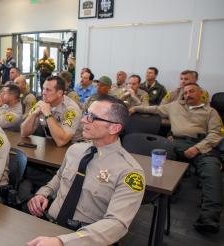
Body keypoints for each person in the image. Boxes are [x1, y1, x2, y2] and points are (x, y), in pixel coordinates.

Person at [27, 95, 145, 246]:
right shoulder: (75, 150)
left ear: (114, 128)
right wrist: (44, 193)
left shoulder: (129, 172)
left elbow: (116, 224)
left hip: (85, 239)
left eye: (92, 117)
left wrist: (63, 242)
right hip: (50, 226)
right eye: (86, 114)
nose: (83, 120)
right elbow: (59, 177)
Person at [131, 83, 223, 233]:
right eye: (185, 93)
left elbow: (216, 134)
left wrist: (197, 148)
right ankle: (162, 194)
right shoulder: (174, 106)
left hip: (201, 144)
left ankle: (208, 218)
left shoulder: (211, 111)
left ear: (201, 94)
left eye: (191, 91)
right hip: (177, 143)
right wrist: (134, 108)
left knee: (212, 170)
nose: (187, 95)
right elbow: (153, 109)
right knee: (157, 158)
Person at [21, 76, 83, 147]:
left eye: (48, 90)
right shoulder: (42, 104)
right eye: (43, 88)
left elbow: (61, 141)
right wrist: (34, 114)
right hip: (51, 144)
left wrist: (47, 113)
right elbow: (24, 133)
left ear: (59, 93)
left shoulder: (71, 110)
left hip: (73, 146)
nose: (43, 92)